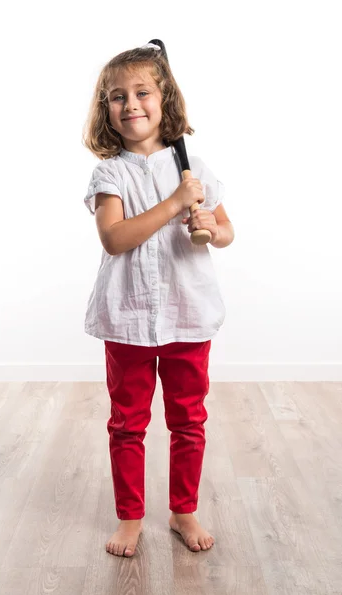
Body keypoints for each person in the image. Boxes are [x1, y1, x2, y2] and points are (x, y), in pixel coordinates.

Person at [81, 42, 235, 558]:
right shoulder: (110, 175)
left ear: (164, 99)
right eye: (116, 97)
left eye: (142, 92)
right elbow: (115, 238)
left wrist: (209, 227)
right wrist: (174, 205)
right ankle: (130, 518)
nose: (131, 105)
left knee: (188, 419)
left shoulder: (194, 169)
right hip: (127, 320)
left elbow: (227, 229)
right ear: (106, 111)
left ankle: (182, 509)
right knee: (128, 423)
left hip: (187, 317)